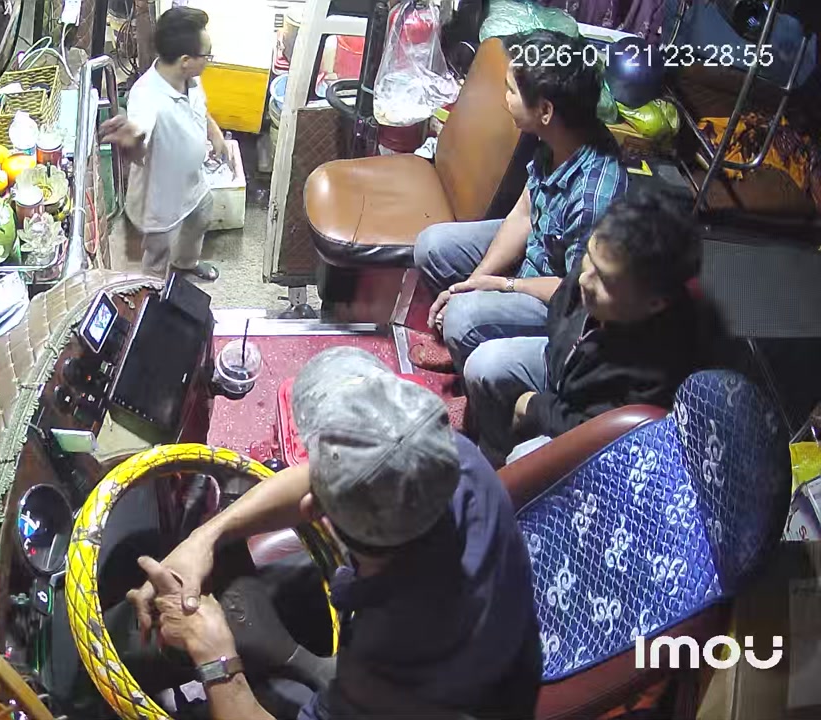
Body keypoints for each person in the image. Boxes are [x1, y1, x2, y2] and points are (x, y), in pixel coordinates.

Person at [128, 347, 542, 719]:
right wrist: (205, 538)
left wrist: (215, 656)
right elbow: (327, 476)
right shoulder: (446, 456)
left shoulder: (389, 668)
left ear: (313, 510)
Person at [413, 29, 628, 371]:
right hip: (535, 258)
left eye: (511, 90)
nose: (505, 98)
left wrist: (503, 285)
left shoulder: (594, 197)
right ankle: (462, 341)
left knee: (463, 317)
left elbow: (576, 294)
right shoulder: (556, 135)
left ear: (545, 109)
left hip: (561, 300)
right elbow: (525, 214)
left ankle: (475, 368)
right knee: (432, 246)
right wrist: (471, 285)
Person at [463, 188, 724, 465]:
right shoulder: (602, 262)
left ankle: (507, 480)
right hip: (567, 372)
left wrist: (534, 406)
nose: (584, 280)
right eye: (590, 258)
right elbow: (560, 314)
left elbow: (598, 431)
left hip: (595, 428)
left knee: (523, 458)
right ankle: (492, 458)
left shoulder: (662, 368)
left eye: (605, 280)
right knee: (484, 365)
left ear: (654, 303)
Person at [99, 7, 229, 281]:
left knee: (201, 218)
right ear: (185, 60)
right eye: (207, 55)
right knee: (158, 253)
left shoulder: (190, 79)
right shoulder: (147, 96)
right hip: (160, 201)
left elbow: (200, 109)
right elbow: (139, 133)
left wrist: (214, 132)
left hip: (194, 186)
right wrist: (131, 139)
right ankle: (154, 288)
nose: (209, 60)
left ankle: (186, 262)